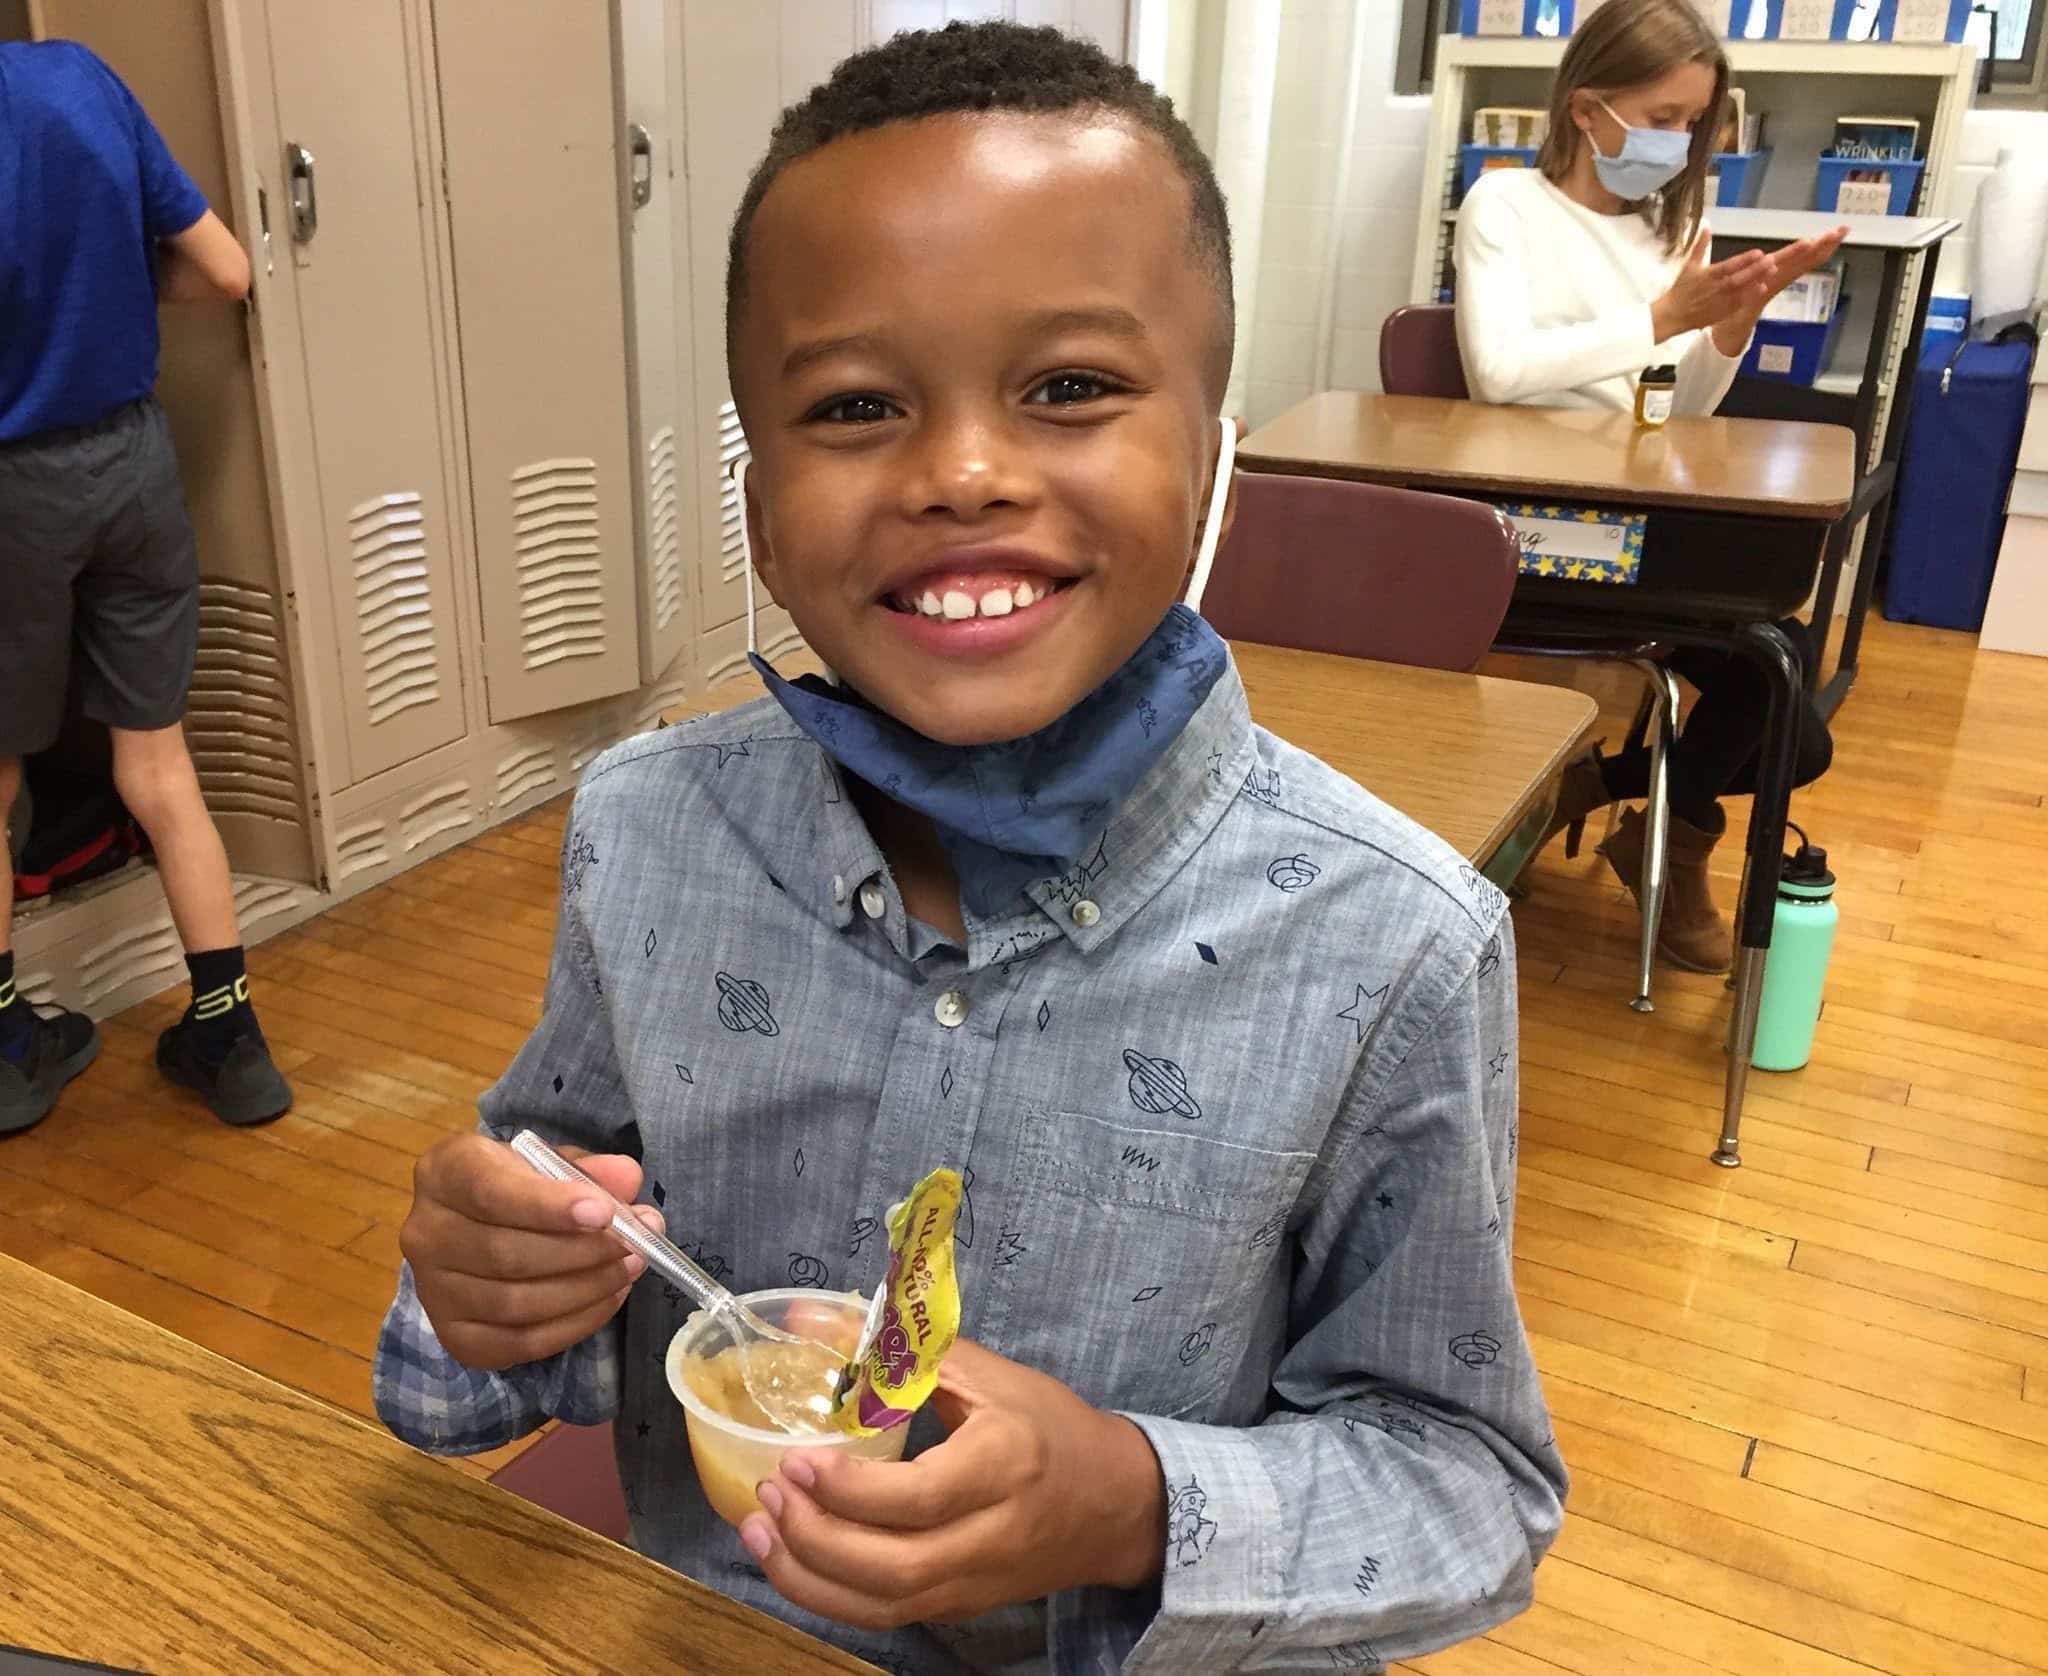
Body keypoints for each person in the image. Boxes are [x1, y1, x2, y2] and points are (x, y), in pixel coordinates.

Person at [373, 22, 1565, 1674]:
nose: (962, 474)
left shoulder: (1391, 945)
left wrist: (1132, 1499)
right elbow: (547, 1245)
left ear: (1212, 450)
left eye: (1068, 388)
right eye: (854, 406)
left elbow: (1465, 1483)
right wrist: (480, 1284)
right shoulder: (649, 833)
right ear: (757, 512)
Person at [1454, 0, 1842, 974]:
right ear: (1587, 111)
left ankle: (1615, 801)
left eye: (1692, 124)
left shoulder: (1673, 228)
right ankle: (1657, 823)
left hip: (1639, 506)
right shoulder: (1503, 205)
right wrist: (1662, 310)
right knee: (1773, 680)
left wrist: (1723, 328)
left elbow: (1683, 407)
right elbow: (1496, 371)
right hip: (1528, 525)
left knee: (1786, 703)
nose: (1677, 143)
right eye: (1661, 117)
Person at [0, 39, 292, 1133]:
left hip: (9, 485)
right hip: (129, 461)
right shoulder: (79, 78)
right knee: (158, 764)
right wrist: (111, 303)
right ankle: (230, 1034)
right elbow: (222, 270)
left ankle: (8, 1047)